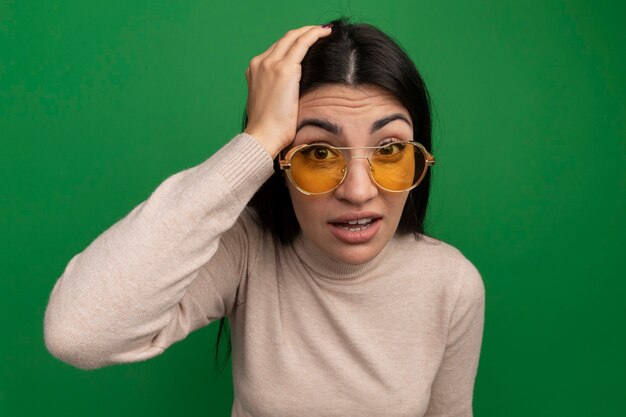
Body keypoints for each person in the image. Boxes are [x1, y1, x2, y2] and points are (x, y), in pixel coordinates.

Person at [44, 19, 485, 417]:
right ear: (280, 163)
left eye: (389, 150)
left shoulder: (452, 282)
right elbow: (78, 334)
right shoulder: (246, 250)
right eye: (317, 152)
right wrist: (256, 142)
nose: (357, 192)